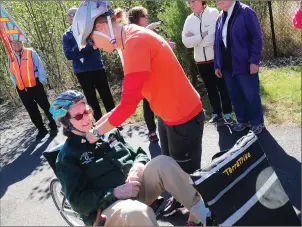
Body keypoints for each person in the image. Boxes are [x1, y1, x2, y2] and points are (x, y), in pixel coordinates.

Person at [72, 1, 204, 224]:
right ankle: (182, 200)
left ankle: (200, 216)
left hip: (184, 117)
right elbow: (127, 101)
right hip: (167, 115)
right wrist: (96, 128)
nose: (94, 47)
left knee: (187, 176)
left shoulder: (135, 43)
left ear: (102, 28)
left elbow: (128, 106)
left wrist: (95, 133)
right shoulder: (128, 40)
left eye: (91, 40)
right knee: (173, 168)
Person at [50, 90, 214, 226]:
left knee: (163, 162)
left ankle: (202, 216)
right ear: (65, 124)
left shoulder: (105, 131)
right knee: (136, 213)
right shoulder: (67, 157)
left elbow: (139, 153)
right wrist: (115, 192)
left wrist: (138, 166)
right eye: (78, 116)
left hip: (135, 189)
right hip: (108, 210)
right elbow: (79, 202)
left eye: (86, 111)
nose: (86, 118)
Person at [214, 0, 265, 134]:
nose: (218, 1)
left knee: (250, 94)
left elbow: (257, 38)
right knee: (235, 95)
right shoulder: (220, 17)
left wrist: (254, 61)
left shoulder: (246, 12)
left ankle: (257, 123)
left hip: (244, 64)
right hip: (226, 66)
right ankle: (243, 121)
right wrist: (217, 64)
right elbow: (217, 43)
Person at [126, 6, 175, 142]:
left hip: (155, 73)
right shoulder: (131, 34)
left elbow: (156, 48)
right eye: (144, 16)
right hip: (143, 74)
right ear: (136, 19)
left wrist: (166, 45)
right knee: (148, 103)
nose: (147, 18)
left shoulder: (146, 32)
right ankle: (152, 131)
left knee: (160, 100)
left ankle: (167, 127)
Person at [182, 0, 233, 124]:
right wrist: (201, 35)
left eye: (193, 1)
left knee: (222, 87)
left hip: (215, 59)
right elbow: (186, 42)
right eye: (189, 2)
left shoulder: (213, 13)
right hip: (200, 61)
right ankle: (216, 112)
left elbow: (213, 37)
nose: (191, 4)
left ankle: (227, 113)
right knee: (210, 88)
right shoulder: (189, 19)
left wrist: (195, 39)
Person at [62, 7, 116, 121]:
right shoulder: (66, 35)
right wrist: (79, 45)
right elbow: (68, 55)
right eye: (70, 15)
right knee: (91, 99)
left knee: (106, 94)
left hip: (96, 67)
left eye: (74, 14)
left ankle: (115, 119)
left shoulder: (90, 30)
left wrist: (78, 50)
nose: (72, 17)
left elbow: (93, 46)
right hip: (81, 72)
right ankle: (100, 122)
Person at [8, 39, 58, 140]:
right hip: (22, 88)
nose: (17, 44)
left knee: (45, 105)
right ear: (11, 45)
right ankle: (41, 129)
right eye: (14, 43)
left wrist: (42, 79)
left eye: (18, 42)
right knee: (31, 110)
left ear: (22, 43)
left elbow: (40, 66)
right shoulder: (10, 57)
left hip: (35, 84)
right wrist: (15, 85)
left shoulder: (31, 52)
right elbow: (12, 73)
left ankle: (54, 125)